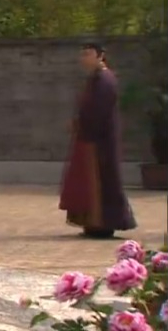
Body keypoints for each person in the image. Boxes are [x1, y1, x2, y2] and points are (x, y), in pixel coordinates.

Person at [59, 43, 137, 239]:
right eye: (82, 54)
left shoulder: (105, 80)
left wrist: (83, 125)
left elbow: (99, 111)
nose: (84, 58)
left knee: (101, 181)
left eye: (88, 54)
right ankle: (91, 223)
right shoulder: (94, 79)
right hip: (89, 137)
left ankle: (104, 223)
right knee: (87, 181)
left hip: (100, 140)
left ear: (100, 56)